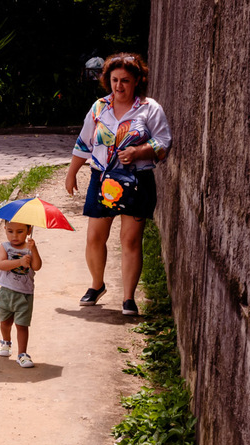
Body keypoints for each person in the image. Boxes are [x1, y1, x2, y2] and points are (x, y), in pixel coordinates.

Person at [64, 52, 171, 316]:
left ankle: (128, 298)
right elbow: (84, 142)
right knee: (94, 238)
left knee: (130, 240)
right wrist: (72, 172)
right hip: (102, 178)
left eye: (125, 80)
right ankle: (97, 285)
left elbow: (164, 142)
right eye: (114, 80)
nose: (118, 86)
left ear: (137, 81)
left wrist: (139, 152)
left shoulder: (149, 108)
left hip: (138, 181)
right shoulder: (100, 107)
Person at [0, 221, 42, 367]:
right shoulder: (5, 247)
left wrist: (33, 250)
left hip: (25, 294)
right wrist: (20, 262)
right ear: (5, 230)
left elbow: (37, 266)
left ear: (29, 230)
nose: (14, 236)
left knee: (22, 325)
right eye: (10, 231)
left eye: (20, 231)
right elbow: (2, 265)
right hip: (6, 292)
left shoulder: (30, 248)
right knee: (5, 322)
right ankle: (6, 342)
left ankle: (22, 354)